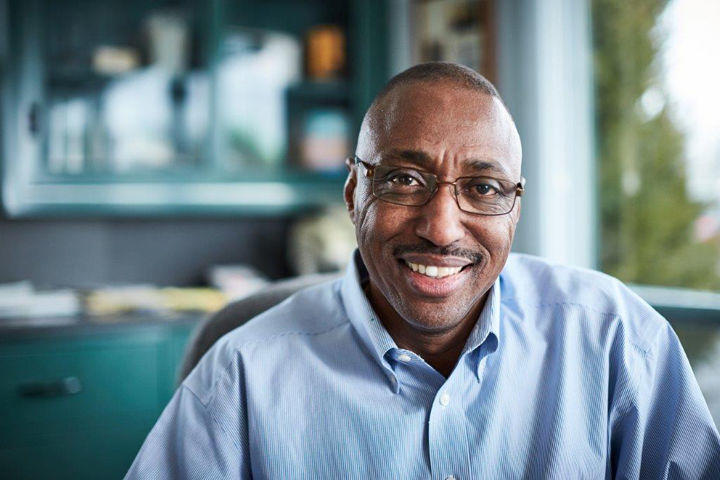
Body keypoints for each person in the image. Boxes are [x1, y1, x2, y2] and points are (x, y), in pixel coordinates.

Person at [126, 62, 720, 479]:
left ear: (514, 209)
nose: (440, 228)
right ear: (356, 190)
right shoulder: (240, 377)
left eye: (483, 188)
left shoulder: (617, 340)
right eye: (404, 180)